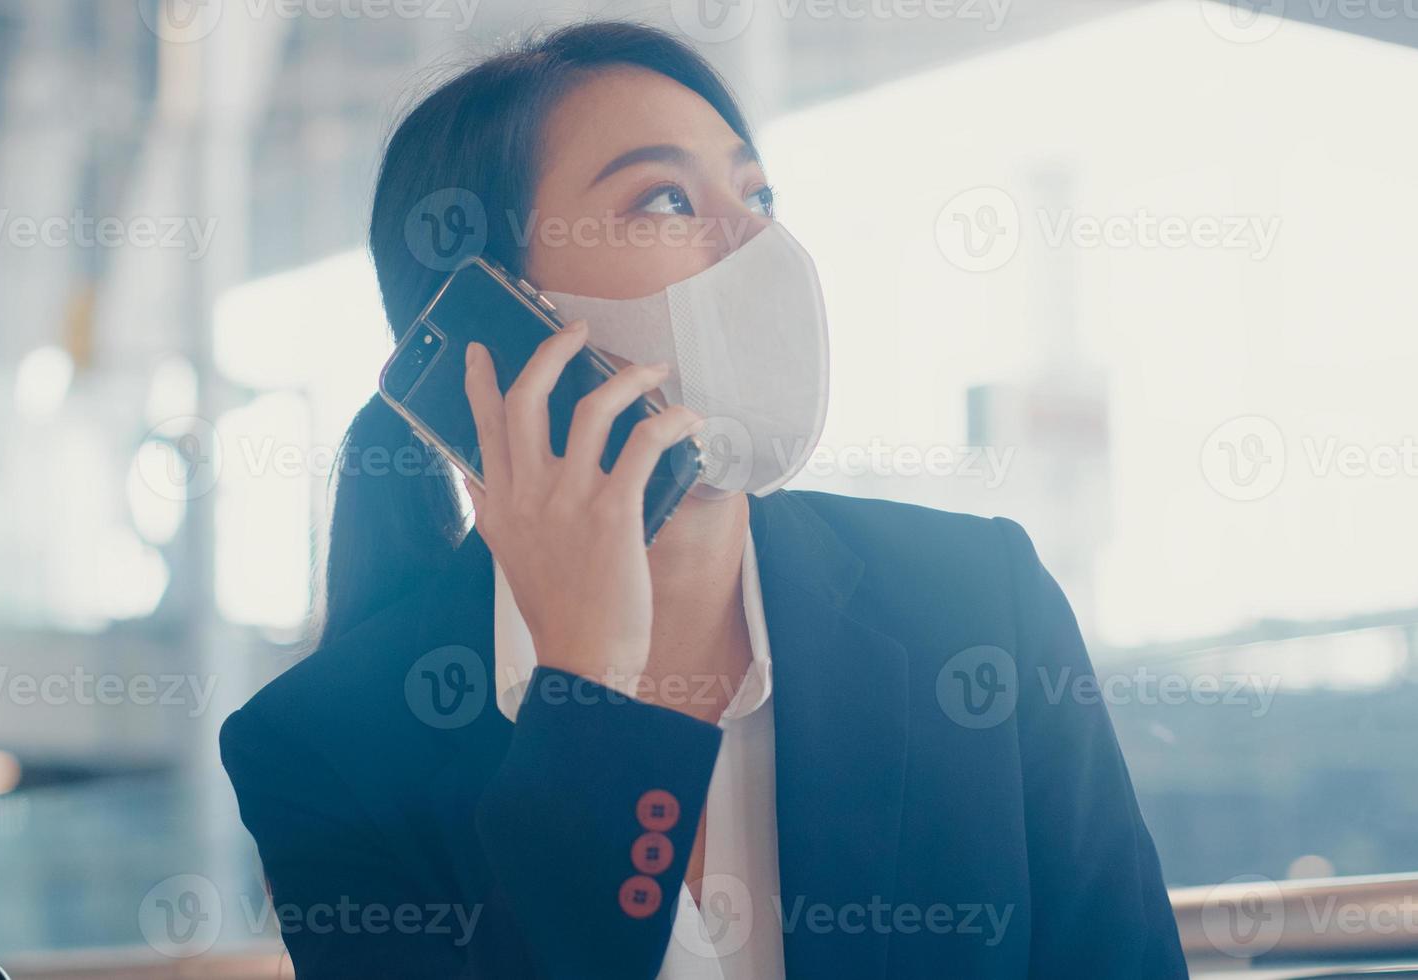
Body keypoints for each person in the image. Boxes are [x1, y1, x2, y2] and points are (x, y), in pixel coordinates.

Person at [220, 20, 1187, 979]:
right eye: (667, 199)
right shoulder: (324, 748)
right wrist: (587, 692)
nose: (757, 240)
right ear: (493, 321)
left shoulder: (978, 605)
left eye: (759, 192)